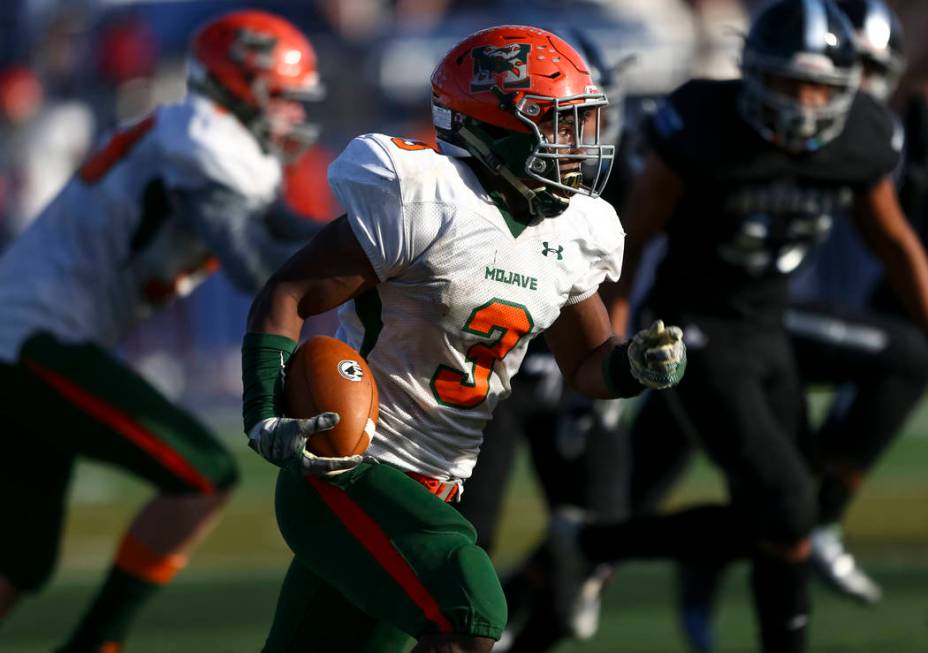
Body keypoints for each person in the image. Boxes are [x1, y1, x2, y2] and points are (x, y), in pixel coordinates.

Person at [240, 24, 687, 653]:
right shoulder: (427, 197)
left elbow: (587, 362)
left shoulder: (575, 228)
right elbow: (287, 294)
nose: (575, 144)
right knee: (470, 602)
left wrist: (634, 365)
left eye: (576, 124)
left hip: (441, 481)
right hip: (347, 471)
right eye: (555, 124)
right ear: (492, 125)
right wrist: (263, 410)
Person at [544, 1, 928, 652]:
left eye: (817, 86)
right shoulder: (704, 125)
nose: (802, 102)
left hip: (769, 324)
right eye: (785, 82)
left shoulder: (859, 135)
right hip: (693, 326)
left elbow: (893, 242)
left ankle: (590, 542)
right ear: (752, 74)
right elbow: (630, 245)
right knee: (784, 506)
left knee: (784, 519)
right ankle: (591, 549)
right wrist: (612, 341)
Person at [0, 10, 326, 653]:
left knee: (20, 560)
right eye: (283, 97)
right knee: (203, 473)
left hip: (37, 338)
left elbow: (286, 231)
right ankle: (100, 643)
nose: (293, 114)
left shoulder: (213, 139)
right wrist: (374, 259)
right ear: (239, 84)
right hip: (34, 339)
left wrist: (374, 247)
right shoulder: (205, 136)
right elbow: (254, 264)